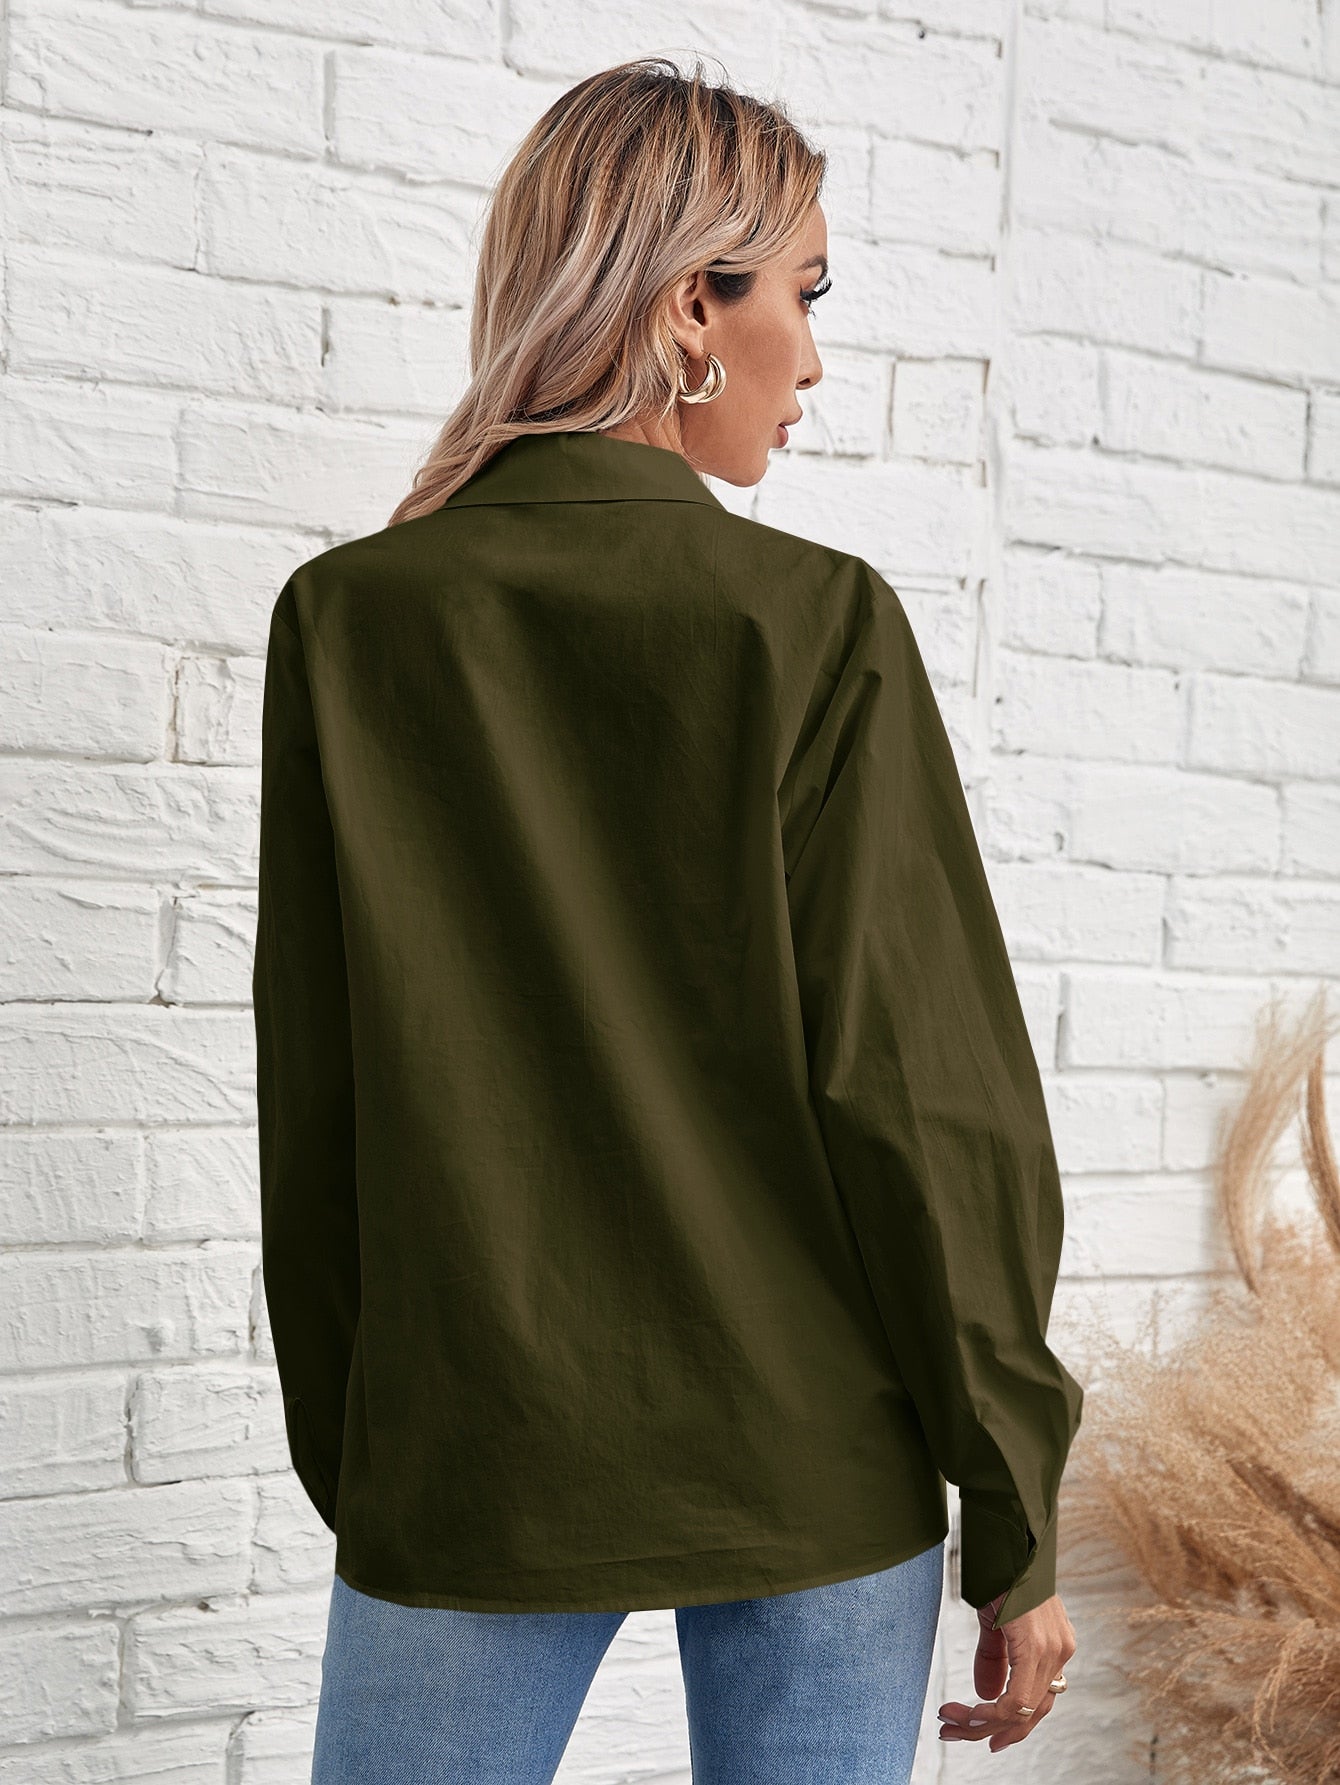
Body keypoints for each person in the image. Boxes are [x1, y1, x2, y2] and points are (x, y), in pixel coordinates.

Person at [251, 55, 1083, 1785]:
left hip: (473, 1452)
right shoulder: (815, 625)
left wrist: (372, 1461)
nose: (817, 359)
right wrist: (1014, 1497)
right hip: (816, 1450)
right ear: (692, 305)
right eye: (804, 295)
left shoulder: (349, 622)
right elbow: (922, 1101)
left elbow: (319, 1107)